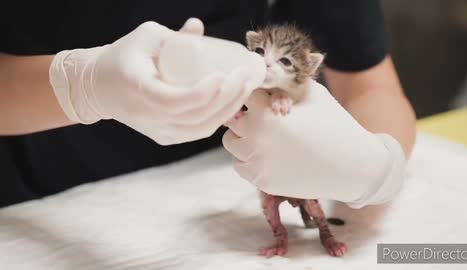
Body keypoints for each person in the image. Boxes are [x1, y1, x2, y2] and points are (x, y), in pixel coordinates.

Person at [0, 0, 416, 208]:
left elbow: (368, 85)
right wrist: (80, 85)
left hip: (215, 193)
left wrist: (376, 164)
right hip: (33, 201)